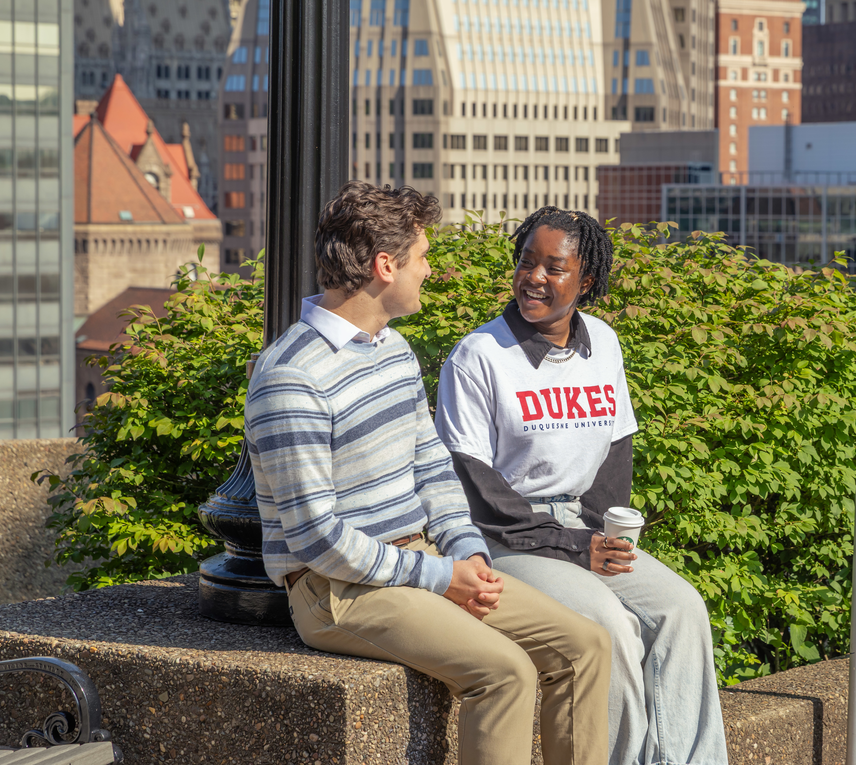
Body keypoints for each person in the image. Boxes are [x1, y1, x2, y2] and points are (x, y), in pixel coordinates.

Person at [245, 183, 611, 765]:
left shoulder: (392, 350)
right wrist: (439, 578)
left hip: (421, 559)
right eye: (421, 256)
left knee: (587, 645)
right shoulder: (292, 375)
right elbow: (319, 540)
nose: (430, 269)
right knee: (504, 671)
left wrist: (467, 552)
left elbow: (432, 466)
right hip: (338, 590)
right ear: (384, 266)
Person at [435, 206, 729, 765]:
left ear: (585, 279)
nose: (535, 278)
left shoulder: (605, 344)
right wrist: (569, 546)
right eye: (527, 262)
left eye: (554, 266)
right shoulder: (479, 356)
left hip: (585, 528)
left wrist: (597, 534)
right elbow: (472, 482)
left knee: (683, 610)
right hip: (509, 539)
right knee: (608, 626)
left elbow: (616, 450)